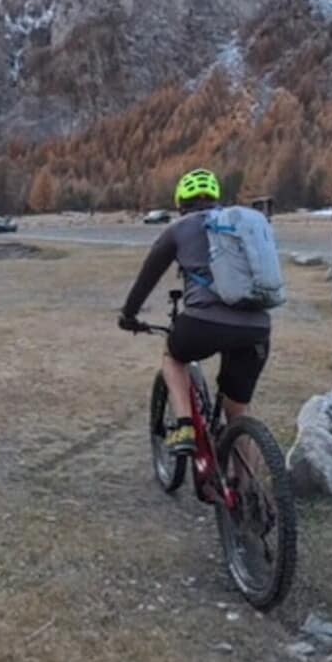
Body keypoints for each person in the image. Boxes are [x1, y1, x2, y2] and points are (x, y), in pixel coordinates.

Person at [117, 168, 271, 452]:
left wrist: (128, 315)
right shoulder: (241, 225)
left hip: (203, 322)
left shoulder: (179, 229)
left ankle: (185, 425)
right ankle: (245, 492)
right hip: (257, 327)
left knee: (174, 357)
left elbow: (146, 279)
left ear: (180, 204)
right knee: (237, 411)